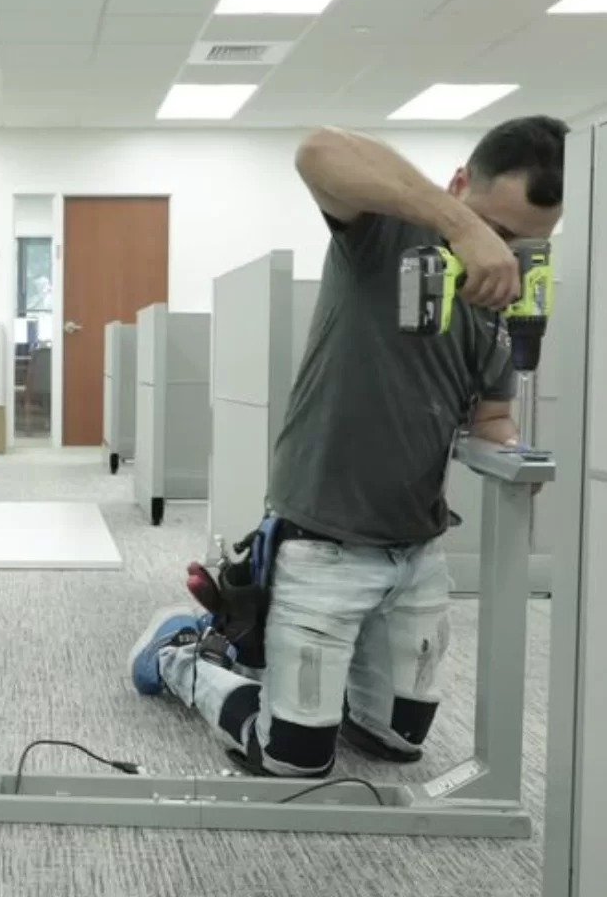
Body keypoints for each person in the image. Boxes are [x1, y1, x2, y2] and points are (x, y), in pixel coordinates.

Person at [127, 116, 568, 779]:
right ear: (458, 186)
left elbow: (493, 415)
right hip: (324, 539)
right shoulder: (386, 232)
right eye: (498, 231)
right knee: (293, 760)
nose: (503, 258)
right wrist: (463, 227)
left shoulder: (503, 294)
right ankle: (182, 657)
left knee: (394, 740)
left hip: (413, 546)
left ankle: (340, 676)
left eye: (526, 243)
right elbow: (317, 149)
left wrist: (513, 459)